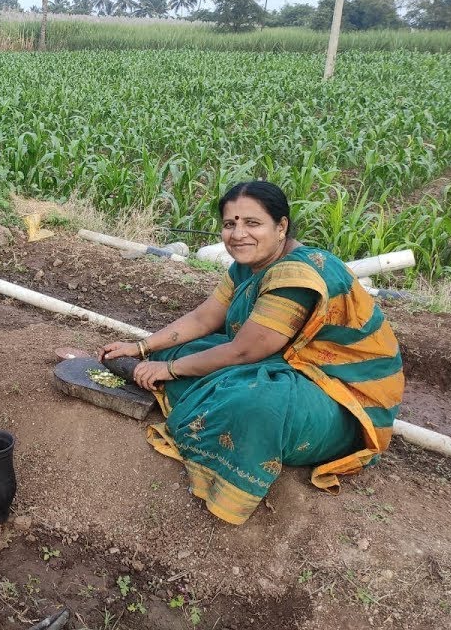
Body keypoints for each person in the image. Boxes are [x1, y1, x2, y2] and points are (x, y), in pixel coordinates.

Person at [98, 181, 404, 525]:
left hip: (342, 397)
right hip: (290, 365)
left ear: (281, 227)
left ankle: (233, 462)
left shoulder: (296, 274)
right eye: (230, 224)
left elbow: (244, 351)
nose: (238, 234)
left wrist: (169, 369)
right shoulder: (249, 264)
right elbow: (205, 318)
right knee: (189, 350)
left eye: (252, 223)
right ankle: (196, 396)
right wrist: (141, 347)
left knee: (254, 405)